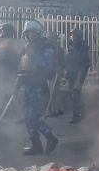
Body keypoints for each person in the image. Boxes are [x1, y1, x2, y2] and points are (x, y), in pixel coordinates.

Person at [17, 20, 59, 155]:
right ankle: (36, 144)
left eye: (32, 32)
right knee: (28, 117)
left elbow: (47, 66)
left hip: (38, 87)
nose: (30, 35)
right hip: (27, 85)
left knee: (33, 117)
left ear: (38, 32)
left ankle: (50, 137)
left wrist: (32, 55)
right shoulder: (28, 47)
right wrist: (17, 85)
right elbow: (22, 68)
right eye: (28, 33)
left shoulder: (46, 48)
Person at [63, 28, 91, 124]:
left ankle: (77, 116)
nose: (72, 37)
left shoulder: (82, 47)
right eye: (71, 35)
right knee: (72, 94)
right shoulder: (72, 47)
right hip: (71, 74)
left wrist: (81, 75)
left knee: (75, 94)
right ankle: (83, 110)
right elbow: (68, 59)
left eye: (74, 35)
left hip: (79, 74)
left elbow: (86, 63)